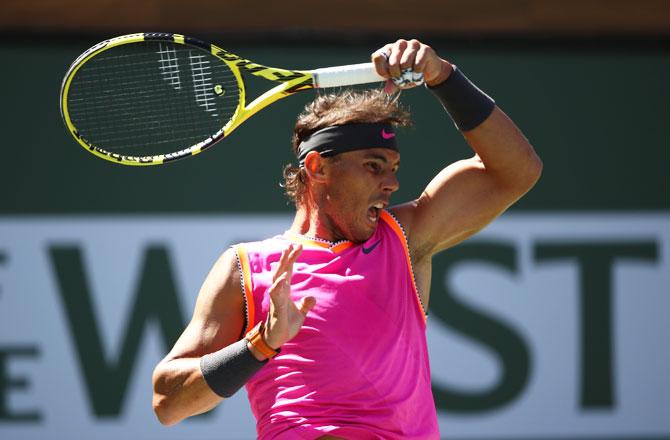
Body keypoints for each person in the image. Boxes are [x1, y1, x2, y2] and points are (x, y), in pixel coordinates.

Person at [152, 39, 542, 439]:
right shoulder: (243, 268)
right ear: (318, 167)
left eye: (393, 168)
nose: (391, 184)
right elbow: (168, 402)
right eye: (374, 167)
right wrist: (260, 345)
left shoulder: (404, 239)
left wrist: (442, 76)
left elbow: (515, 171)